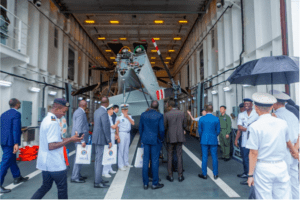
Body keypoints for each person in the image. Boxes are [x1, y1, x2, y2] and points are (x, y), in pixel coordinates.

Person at [246, 92, 298, 199]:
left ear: (256, 108)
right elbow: (288, 141)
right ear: (271, 107)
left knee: (264, 197)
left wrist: (250, 175)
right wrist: (295, 153)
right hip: (281, 165)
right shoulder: (282, 123)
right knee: (283, 196)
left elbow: (253, 153)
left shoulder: (254, 126)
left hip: (263, 167)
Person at [31, 98, 84, 199]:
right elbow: (51, 145)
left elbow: (57, 139)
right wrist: (71, 139)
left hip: (46, 163)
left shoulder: (46, 119)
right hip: (54, 163)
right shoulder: (53, 123)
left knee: (45, 186)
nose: (64, 114)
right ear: (57, 109)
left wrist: (72, 139)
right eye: (63, 112)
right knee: (62, 189)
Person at [271, 91, 299, 199]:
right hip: (294, 151)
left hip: (283, 151)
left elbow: (278, 137)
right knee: (294, 181)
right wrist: (295, 149)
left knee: (282, 183)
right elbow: (298, 134)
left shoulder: (276, 117)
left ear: (275, 103)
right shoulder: (293, 115)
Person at [0, 98, 29, 193]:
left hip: (3, 141)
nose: (20, 104)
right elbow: (15, 129)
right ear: (17, 104)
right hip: (10, 142)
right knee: (5, 163)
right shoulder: (17, 114)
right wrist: (16, 143)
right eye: (19, 103)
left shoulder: (3, 114)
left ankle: (17, 177)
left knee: (12, 160)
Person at [139, 100, 165, 190]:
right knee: (154, 162)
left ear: (150, 106)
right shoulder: (159, 116)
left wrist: (143, 138)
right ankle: (155, 183)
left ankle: (145, 183)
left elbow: (140, 128)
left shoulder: (143, 115)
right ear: (157, 107)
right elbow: (161, 130)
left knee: (145, 161)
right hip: (155, 141)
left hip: (146, 140)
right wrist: (161, 139)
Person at [237, 98, 259, 185]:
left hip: (255, 140)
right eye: (245, 104)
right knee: (245, 159)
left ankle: (254, 176)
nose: (246, 106)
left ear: (252, 105)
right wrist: (249, 129)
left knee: (254, 157)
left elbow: (259, 126)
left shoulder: (256, 114)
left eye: (248, 104)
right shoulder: (241, 115)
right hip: (245, 140)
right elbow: (239, 127)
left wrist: (245, 128)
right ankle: (247, 175)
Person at [164, 99, 187, 182]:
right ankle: (180, 176)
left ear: (169, 106)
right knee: (179, 155)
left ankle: (170, 176)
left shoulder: (166, 114)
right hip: (180, 137)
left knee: (169, 156)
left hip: (170, 137)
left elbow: (164, 126)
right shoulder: (182, 113)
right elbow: (185, 125)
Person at [92, 96, 112, 188]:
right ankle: (97, 182)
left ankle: (98, 179)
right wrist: (109, 140)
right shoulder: (104, 112)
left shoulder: (96, 111)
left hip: (96, 137)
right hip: (101, 139)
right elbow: (105, 127)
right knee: (99, 160)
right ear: (107, 103)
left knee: (98, 159)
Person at [198, 105, 220, 180]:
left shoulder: (202, 119)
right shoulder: (216, 119)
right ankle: (215, 174)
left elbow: (200, 131)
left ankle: (204, 174)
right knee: (214, 157)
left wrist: (203, 136)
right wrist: (214, 135)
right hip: (213, 140)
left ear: (206, 110)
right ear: (212, 110)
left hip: (204, 140)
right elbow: (218, 131)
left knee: (204, 157)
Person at [71, 100, 89, 183]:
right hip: (79, 139)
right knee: (78, 158)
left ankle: (77, 174)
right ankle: (75, 177)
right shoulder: (80, 113)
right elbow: (78, 127)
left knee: (80, 157)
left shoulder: (77, 111)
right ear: (85, 105)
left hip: (79, 138)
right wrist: (82, 141)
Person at [115, 104, 135, 170]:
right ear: (121, 110)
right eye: (124, 109)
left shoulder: (129, 115)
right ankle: (120, 165)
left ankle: (126, 163)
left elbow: (133, 123)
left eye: (126, 109)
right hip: (121, 133)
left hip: (128, 133)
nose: (125, 110)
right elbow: (117, 127)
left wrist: (128, 117)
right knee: (121, 149)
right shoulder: (119, 117)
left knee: (126, 149)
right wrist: (117, 136)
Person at [102, 104, 119, 178]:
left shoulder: (109, 117)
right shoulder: (107, 118)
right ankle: (105, 171)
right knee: (108, 152)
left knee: (111, 152)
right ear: (109, 110)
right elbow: (113, 126)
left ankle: (109, 168)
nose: (113, 111)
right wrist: (117, 123)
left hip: (112, 135)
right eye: (112, 109)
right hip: (109, 135)